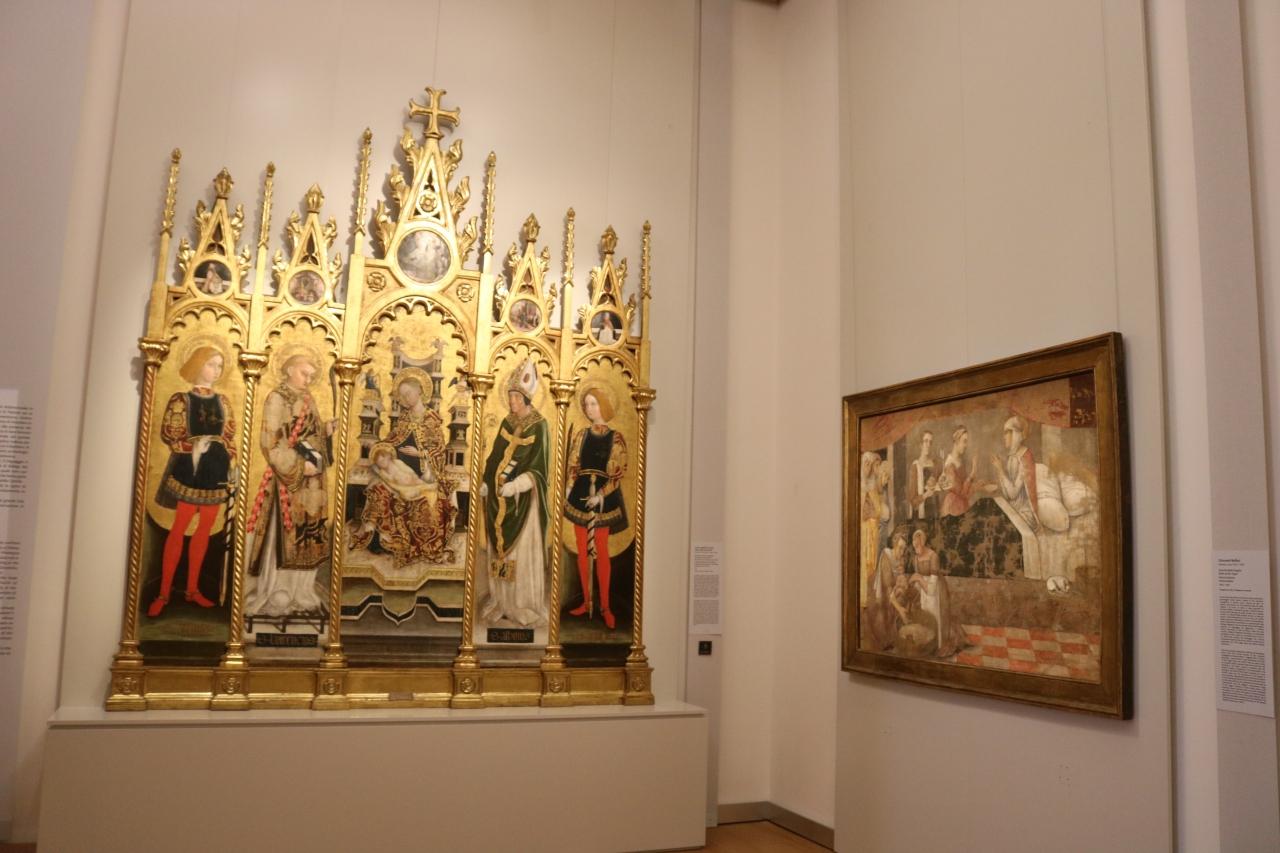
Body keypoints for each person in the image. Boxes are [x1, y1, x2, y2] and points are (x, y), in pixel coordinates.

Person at [244, 351, 334, 618]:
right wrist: (299, 466)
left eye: (312, 376)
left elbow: (311, 434)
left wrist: (326, 431)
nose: (308, 379)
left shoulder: (308, 398)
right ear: (289, 369)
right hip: (289, 481)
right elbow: (270, 443)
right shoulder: (277, 398)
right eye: (304, 373)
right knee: (285, 537)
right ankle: (277, 592)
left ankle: (301, 593)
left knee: (309, 536)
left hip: (312, 484)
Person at [149, 345, 235, 617]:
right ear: (198, 365)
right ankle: (164, 592)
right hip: (190, 468)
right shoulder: (181, 400)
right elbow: (170, 434)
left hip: (215, 469)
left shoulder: (223, 402)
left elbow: (230, 435)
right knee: (180, 527)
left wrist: (228, 453)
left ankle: (192, 589)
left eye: (219, 366)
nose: (216, 371)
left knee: (205, 528)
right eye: (211, 364)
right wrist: (196, 445)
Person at [478, 360, 550, 627]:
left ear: (526, 398)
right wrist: (487, 482)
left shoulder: (540, 425)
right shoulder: (507, 422)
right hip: (498, 499)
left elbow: (539, 468)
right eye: (509, 396)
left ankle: (521, 604)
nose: (511, 402)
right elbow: (495, 456)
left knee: (518, 555)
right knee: (500, 553)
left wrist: (517, 485)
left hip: (522, 503)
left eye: (516, 397)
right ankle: (501, 600)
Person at [564, 386, 629, 629]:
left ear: (603, 405)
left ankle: (605, 606)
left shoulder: (616, 438)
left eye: (593, 404)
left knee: (600, 550)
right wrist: (569, 488)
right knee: (583, 550)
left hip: (603, 496)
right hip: (580, 494)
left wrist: (600, 495)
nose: (589, 409)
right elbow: (573, 464)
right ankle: (587, 601)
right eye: (586, 405)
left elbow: (619, 471)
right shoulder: (582, 435)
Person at [908, 529, 967, 658]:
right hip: (923, 591)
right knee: (925, 616)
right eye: (914, 545)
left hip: (936, 591)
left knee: (935, 616)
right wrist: (913, 583)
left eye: (918, 545)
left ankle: (938, 645)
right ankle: (928, 645)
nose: (916, 548)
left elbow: (931, 590)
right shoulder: (915, 558)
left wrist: (919, 579)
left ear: (923, 542)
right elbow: (917, 583)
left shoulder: (933, 556)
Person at [991, 415, 1039, 529]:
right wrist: (1000, 472)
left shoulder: (1025, 458)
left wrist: (1000, 470)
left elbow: (1013, 494)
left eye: (1006, 432)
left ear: (1016, 434)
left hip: (1025, 514)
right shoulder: (1012, 456)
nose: (1004, 437)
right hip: (1014, 509)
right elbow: (1008, 495)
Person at [865, 530, 908, 651]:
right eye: (900, 548)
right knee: (884, 611)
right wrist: (900, 609)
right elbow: (887, 587)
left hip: (892, 589)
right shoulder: (886, 556)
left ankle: (895, 637)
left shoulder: (901, 559)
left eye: (904, 549)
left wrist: (902, 584)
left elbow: (901, 579)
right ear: (894, 544)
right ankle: (885, 642)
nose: (902, 552)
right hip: (881, 591)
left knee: (904, 597)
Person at [859, 452, 890, 606]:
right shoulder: (861, 488)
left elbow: (878, 511)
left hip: (873, 532)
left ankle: (869, 599)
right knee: (864, 565)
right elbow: (865, 512)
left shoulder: (873, 489)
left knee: (872, 565)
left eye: (871, 465)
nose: (869, 469)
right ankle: (863, 599)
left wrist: (875, 512)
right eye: (867, 465)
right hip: (864, 532)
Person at [939, 426, 977, 517]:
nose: (966, 445)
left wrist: (981, 486)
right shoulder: (950, 464)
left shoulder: (960, 461)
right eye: (964, 441)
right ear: (956, 441)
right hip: (953, 507)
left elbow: (966, 490)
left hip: (962, 504)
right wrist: (973, 472)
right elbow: (961, 492)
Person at [907, 430, 939, 520]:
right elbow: (913, 501)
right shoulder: (915, 466)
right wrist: (926, 495)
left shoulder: (935, 465)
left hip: (933, 512)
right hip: (920, 514)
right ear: (920, 445)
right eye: (926, 441)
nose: (928, 445)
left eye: (930, 442)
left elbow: (938, 491)